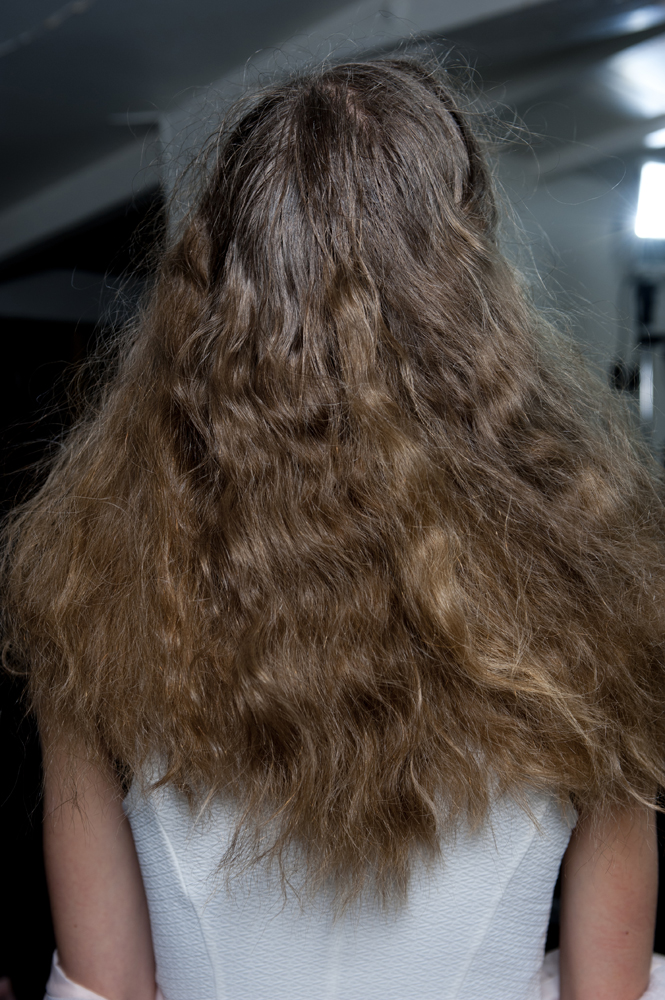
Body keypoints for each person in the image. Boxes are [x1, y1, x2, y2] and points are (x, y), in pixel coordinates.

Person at [3, 58, 665, 1000]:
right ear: (470, 280)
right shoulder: (604, 590)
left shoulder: (85, 589)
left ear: (215, 275)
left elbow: (104, 987)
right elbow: (609, 989)